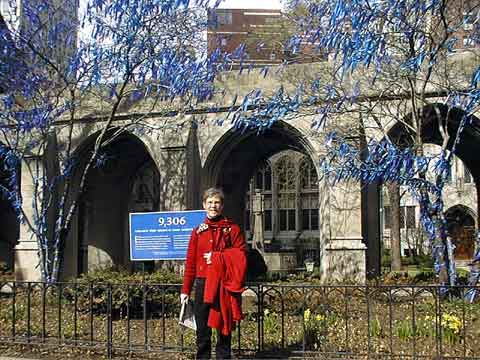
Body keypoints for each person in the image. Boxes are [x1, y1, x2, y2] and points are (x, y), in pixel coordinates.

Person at [180, 188, 247, 359]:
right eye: (210, 202)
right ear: (204, 205)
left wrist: (218, 258)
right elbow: (190, 264)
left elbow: (242, 256)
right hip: (203, 284)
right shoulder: (198, 232)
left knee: (223, 329)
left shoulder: (233, 229)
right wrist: (185, 291)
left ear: (222, 205)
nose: (213, 206)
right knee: (202, 330)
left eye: (216, 202)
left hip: (224, 285)